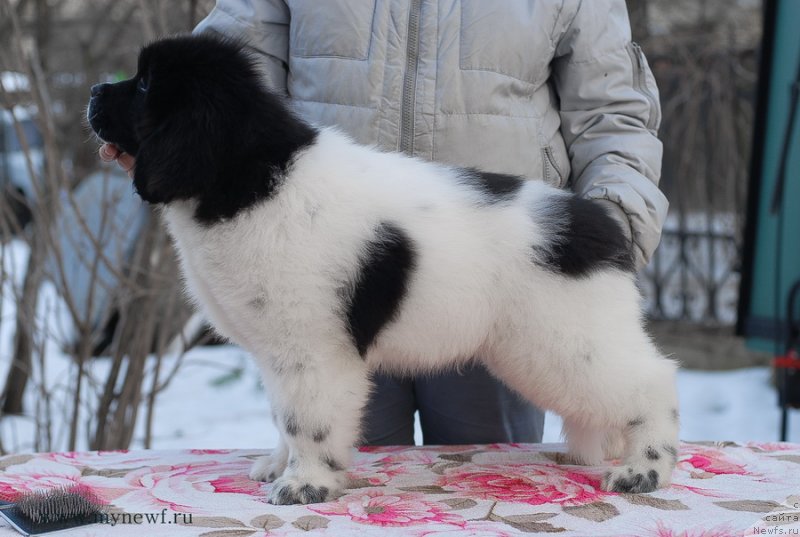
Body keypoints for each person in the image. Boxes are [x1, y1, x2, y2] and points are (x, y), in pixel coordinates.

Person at [100, 0, 666, 447]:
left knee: (492, 490)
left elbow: (612, 112)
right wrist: (168, 145)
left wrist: (608, 237)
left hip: (503, 265)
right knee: (338, 481)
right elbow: (226, 70)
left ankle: (646, 425)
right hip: (322, 255)